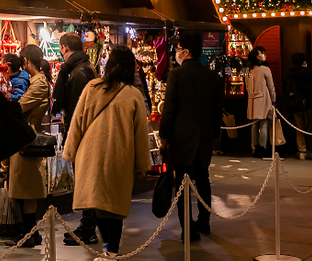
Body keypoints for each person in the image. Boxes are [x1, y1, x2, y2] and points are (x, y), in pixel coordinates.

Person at [64, 46, 151, 255]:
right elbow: (140, 133)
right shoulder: (133, 95)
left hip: (89, 156)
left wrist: (70, 152)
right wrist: (142, 165)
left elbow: (77, 122)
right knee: (114, 208)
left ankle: (108, 250)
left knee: (96, 205)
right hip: (118, 157)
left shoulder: (92, 87)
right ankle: (111, 251)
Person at [159, 31, 223, 241]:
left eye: (177, 50)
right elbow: (216, 110)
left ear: (185, 52)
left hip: (181, 137)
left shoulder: (176, 75)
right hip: (204, 136)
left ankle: (187, 228)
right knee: (203, 179)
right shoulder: (212, 77)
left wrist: (164, 135)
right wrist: (215, 135)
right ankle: (204, 221)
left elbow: (169, 109)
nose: (175, 53)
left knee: (182, 184)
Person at [51, 32, 98, 246]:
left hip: (83, 134)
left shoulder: (78, 72)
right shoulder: (82, 68)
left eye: (61, 50)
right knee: (84, 179)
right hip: (82, 133)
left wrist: (74, 133)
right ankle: (87, 225)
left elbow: (80, 109)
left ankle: (88, 227)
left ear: (64, 49)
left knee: (85, 179)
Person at [6, 45, 50, 248]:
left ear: (25, 61)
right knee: (23, 190)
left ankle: (30, 233)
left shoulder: (39, 83)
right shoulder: (34, 81)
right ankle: (29, 232)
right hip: (23, 139)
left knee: (28, 190)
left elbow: (20, 106)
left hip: (28, 140)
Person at [287, 53, 312, 159]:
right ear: (304, 62)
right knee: (310, 127)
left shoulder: (290, 74)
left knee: (299, 127)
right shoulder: (308, 73)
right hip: (309, 104)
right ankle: (311, 149)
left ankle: (302, 150)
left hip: (295, 104)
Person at [246, 47, 276, 159]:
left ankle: (255, 147)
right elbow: (271, 86)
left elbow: (247, 87)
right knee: (264, 124)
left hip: (252, 99)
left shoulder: (249, 70)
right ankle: (263, 148)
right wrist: (274, 100)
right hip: (263, 98)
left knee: (254, 124)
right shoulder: (265, 69)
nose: (263, 55)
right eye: (260, 54)